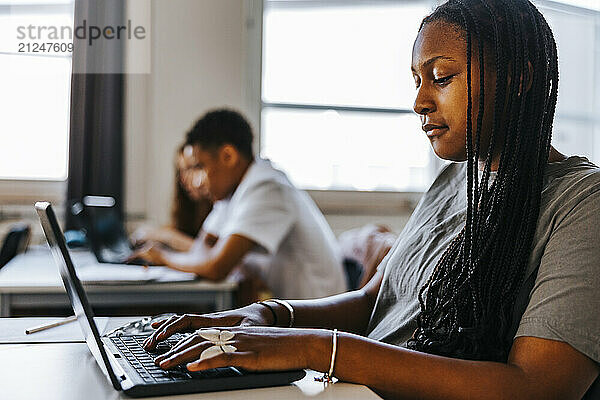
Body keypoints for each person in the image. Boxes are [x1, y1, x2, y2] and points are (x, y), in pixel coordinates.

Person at [141, 1, 600, 398]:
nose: (420, 101)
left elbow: (537, 388)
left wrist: (316, 347)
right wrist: (268, 315)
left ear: (519, 78)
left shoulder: (582, 202)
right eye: (416, 80)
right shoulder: (454, 178)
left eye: (441, 77)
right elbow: (373, 301)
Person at [131, 108, 347, 300]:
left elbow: (216, 267)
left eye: (200, 167)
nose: (196, 181)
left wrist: (163, 256)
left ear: (228, 156)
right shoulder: (231, 193)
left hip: (317, 318)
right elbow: (200, 249)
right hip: (288, 310)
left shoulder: (267, 187)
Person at [131, 144, 213, 252]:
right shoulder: (191, 207)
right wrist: (158, 234)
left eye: (191, 168)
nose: (183, 179)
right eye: (180, 171)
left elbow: (211, 253)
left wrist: (168, 237)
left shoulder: (222, 204)